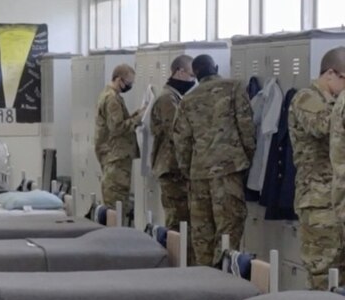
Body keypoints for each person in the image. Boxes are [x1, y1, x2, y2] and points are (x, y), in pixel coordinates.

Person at [173, 54, 256, 267]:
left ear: (196, 74)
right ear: (216, 67)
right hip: (228, 172)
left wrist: (188, 170)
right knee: (228, 230)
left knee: (202, 234)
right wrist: (246, 161)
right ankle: (225, 281)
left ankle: (205, 283)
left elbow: (181, 142)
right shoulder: (234, 88)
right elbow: (247, 129)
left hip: (198, 174)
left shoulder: (187, 99)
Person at [290, 47, 345, 289]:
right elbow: (323, 126)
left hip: (337, 199)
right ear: (331, 74)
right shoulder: (306, 98)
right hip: (318, 201)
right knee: (323, 272)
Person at [150, 55, 197, 231]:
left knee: (183, 219)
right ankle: (175, 257)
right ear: (179, 72)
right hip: (171, 167)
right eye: (191, 75)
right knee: (177, 220)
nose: (193, 80)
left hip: (175, 167)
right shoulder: (167, 99)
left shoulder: (175, 97)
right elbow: (176, 132)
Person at [95, 64, 144, 212]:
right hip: (116, 157)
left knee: (115, 204)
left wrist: (137, 114)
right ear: (118, 79)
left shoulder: (108, 94)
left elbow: (119, 121)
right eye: (128, 82)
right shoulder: (112, 99)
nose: (130, 86)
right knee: (117, 205)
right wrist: (138, 120)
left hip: (112, 155)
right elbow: (117, 128)